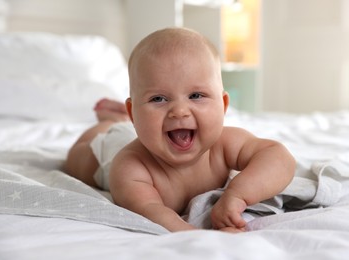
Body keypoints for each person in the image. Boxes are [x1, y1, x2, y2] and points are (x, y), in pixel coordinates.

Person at [64, 27, 296, 233]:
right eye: (158, 98)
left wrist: (238, 195)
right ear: (135, 112)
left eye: (196, 95)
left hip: (144, 129)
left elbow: (279, 158)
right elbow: (152, 211)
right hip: (109, 150)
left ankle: (120, 117)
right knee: (77, 158)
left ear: (223, 105)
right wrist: (205, 237)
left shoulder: (225, 143)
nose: (180, 111)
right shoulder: (130, 167)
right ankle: (107, 122)